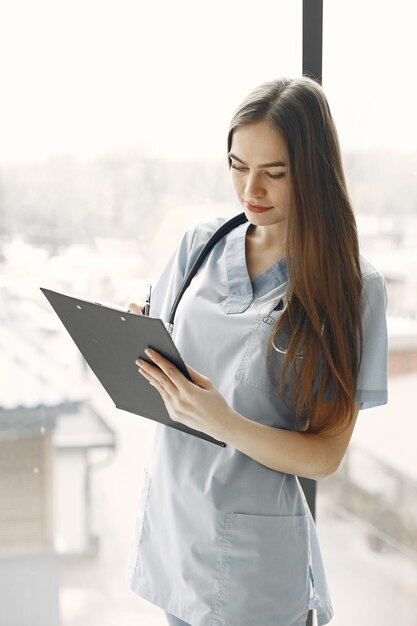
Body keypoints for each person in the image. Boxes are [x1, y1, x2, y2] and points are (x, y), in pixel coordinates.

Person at [127, 77, 388, 626]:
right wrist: (135, 343)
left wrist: (224, 421)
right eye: (238, 165)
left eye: (274, 173)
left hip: (252, 568)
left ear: (313, 172)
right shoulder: (199, 245)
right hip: (176, 533)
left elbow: (325, 456)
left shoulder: (353, 288)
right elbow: (163, 380)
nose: (251, 189)